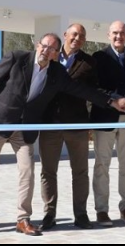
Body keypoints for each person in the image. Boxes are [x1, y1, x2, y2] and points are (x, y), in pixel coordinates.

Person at [0, 33, 125, 238]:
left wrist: (112, 101)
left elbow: (82, 90)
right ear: (38, 45)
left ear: (56, 53)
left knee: (27, 173)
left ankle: (23, 219)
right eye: (44, 46)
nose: (46, 51)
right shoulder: (17, 58)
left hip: (25, 129)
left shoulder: (57, 72)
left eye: (52, 49)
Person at [38, 24, 97, 230]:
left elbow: (94, 93)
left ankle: (81, 214)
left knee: (80, 172)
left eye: (81, 36)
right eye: (74, 34)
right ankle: (49, 214)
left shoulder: (89, 63)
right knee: (48, 172)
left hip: (77, 125)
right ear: (65, 35)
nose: (77, 38)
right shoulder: (49, 56)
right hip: (50, 124)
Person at [90, 21, 125, 226]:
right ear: (108, 35)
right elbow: (94, 87)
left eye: (122, 33)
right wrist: (115, 101)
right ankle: (101, 210)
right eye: (115, 33)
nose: (118, 36)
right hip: (105, 117)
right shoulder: (99, 57)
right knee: (102, 165)